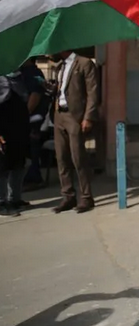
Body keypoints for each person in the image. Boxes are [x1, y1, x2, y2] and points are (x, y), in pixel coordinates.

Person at [52, 50, 99, 214]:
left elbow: (93, 92)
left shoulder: (84, 63)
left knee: (78, 157)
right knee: (61, 157)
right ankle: (68, 195)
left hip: (75, 116)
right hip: (59, 114)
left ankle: (86, 197)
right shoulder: (59, 67)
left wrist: (88, 117)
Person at [0, 73, 30, 216]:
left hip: (18, 127)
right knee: (2, 166)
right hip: (3, 128)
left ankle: (15, 199)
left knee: (18, 163)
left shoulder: (18, 79)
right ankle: (1, 202)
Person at [19, 58, 48, 190]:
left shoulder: (33, 73)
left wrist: (24, 115)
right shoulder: (24, 72)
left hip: (33, 119)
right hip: (28, 118)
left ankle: (34, 177)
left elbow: (35, 95)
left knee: (32, 147)